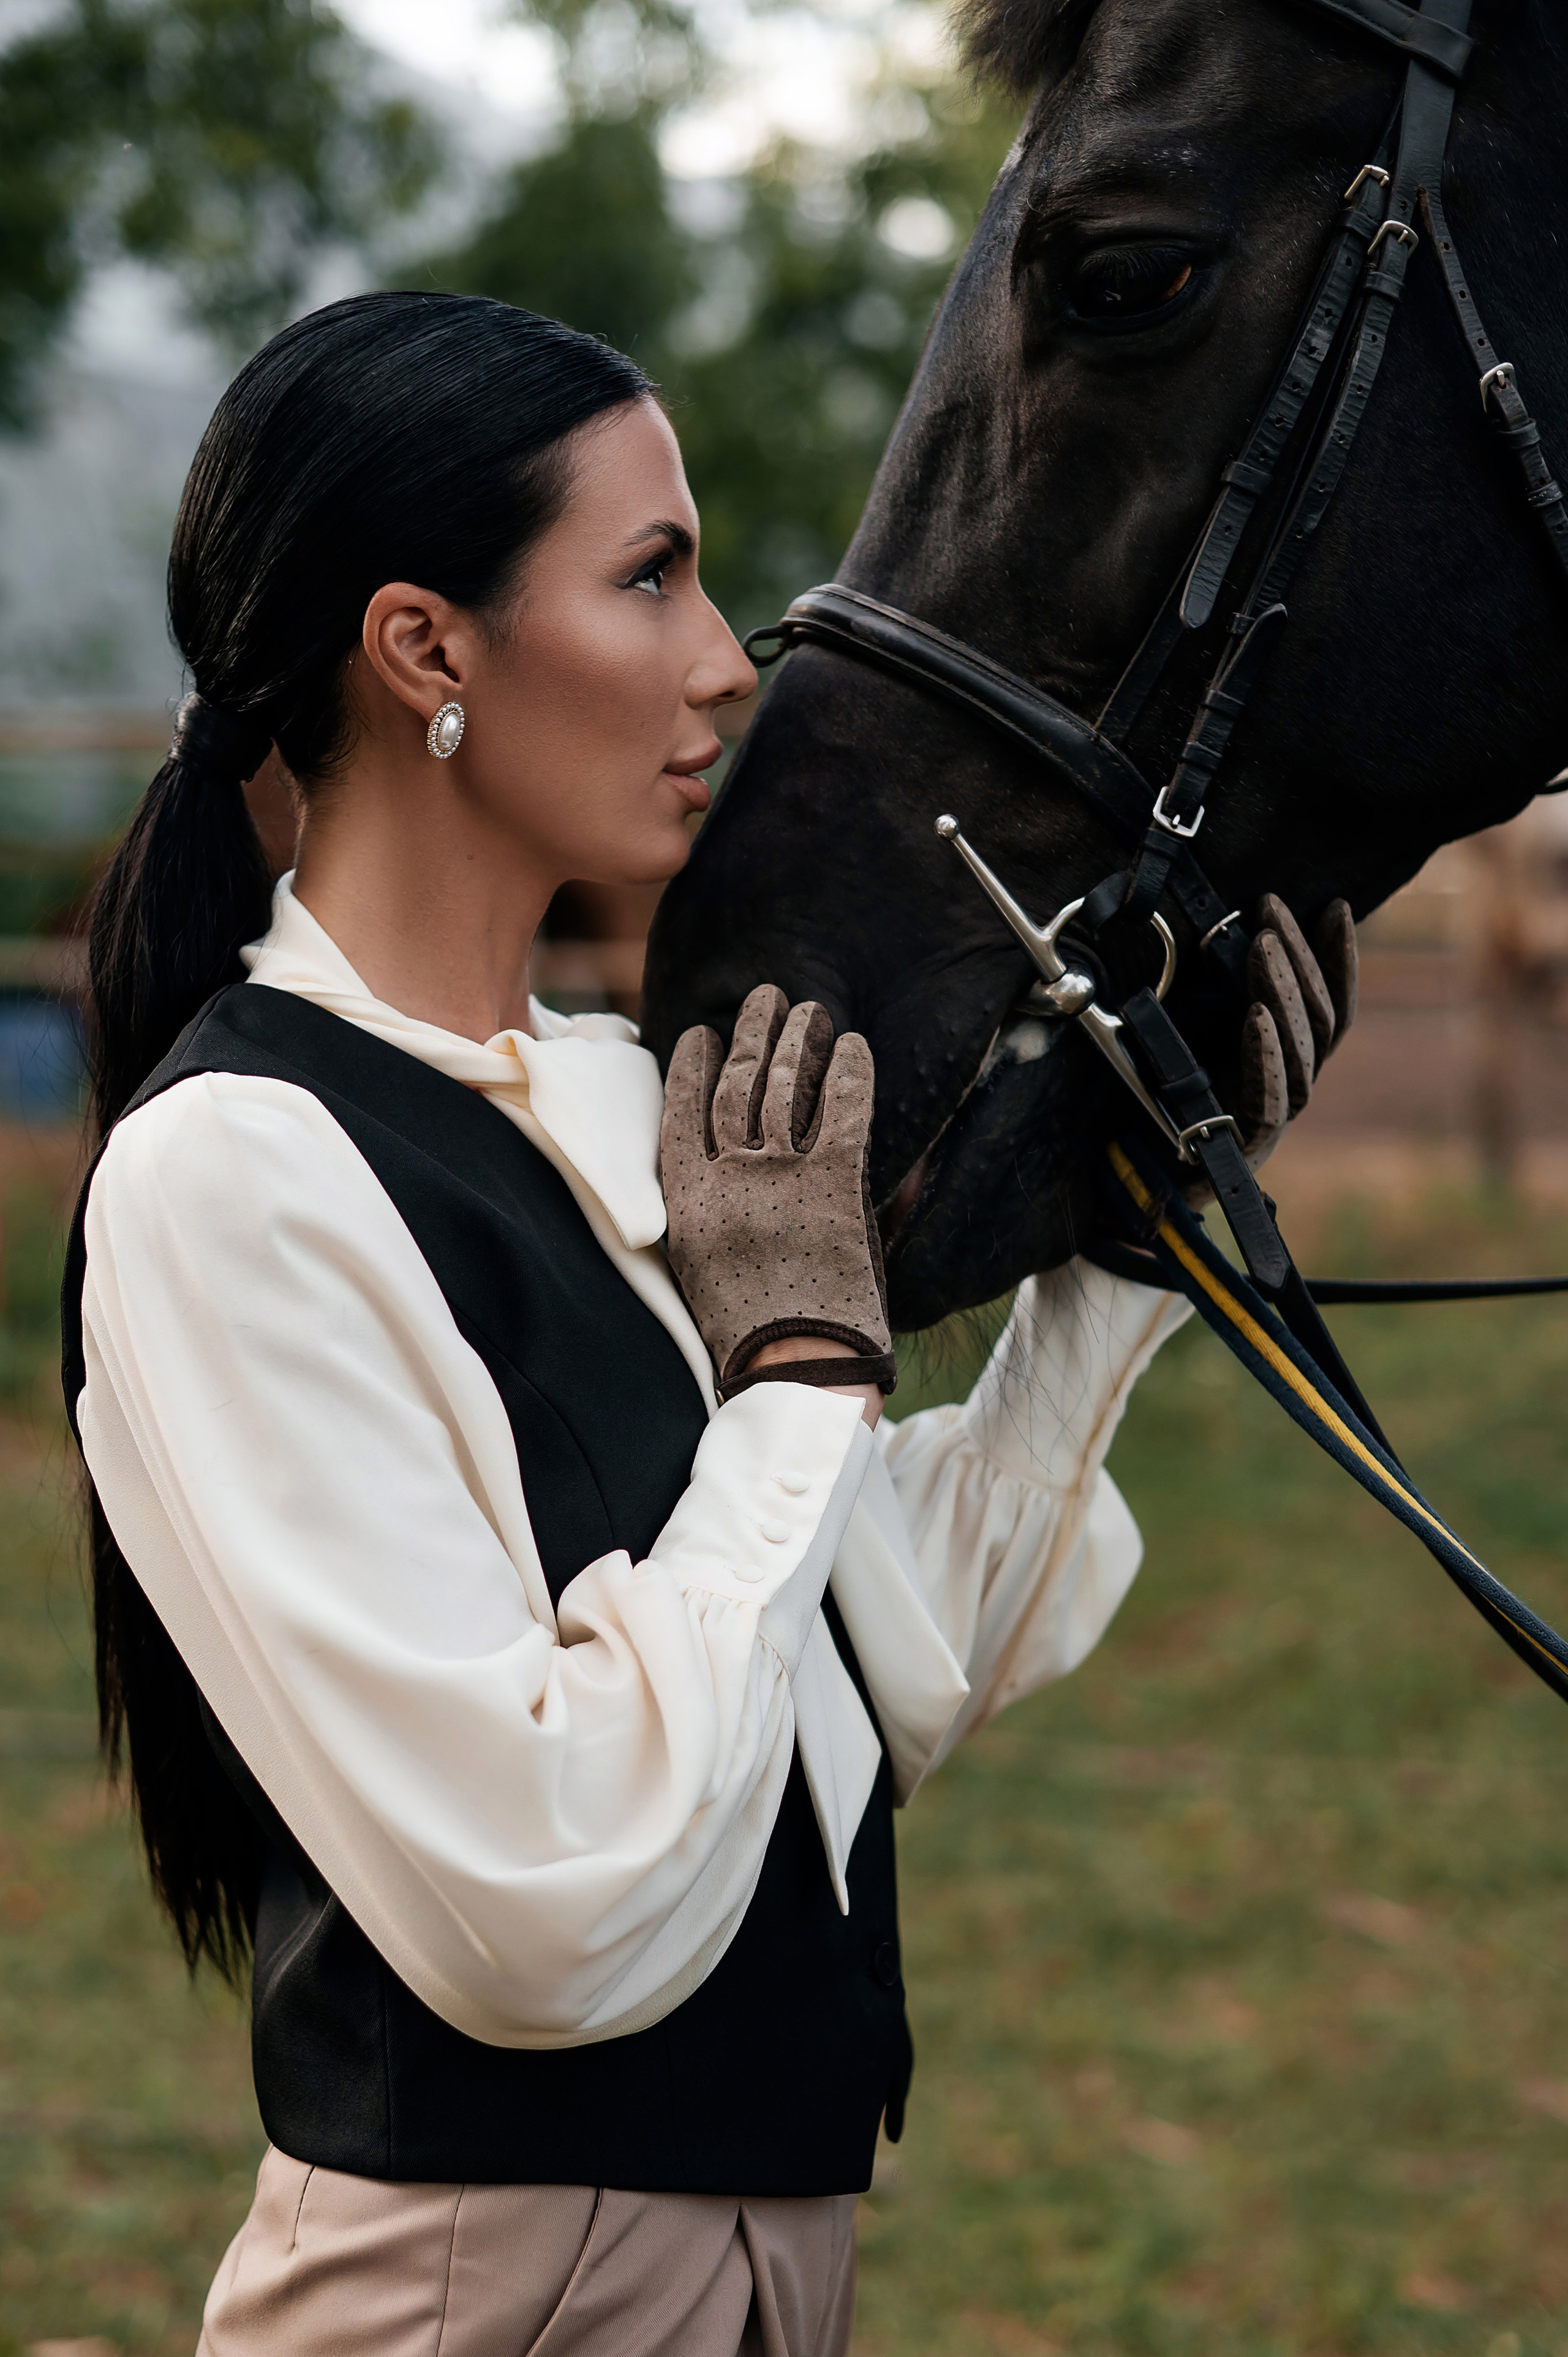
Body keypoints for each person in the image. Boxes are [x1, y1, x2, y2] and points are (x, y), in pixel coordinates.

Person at [62, 290, 1351, 2357]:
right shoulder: (236, 1170)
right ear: (424, 650)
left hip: (774, 2263)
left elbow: (851, 1687)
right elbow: (543, 1895)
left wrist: (1124, 1262)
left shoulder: (607, 1099)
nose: (726, 661)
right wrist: (800, 1367)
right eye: (648, 576)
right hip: (485, 2293)